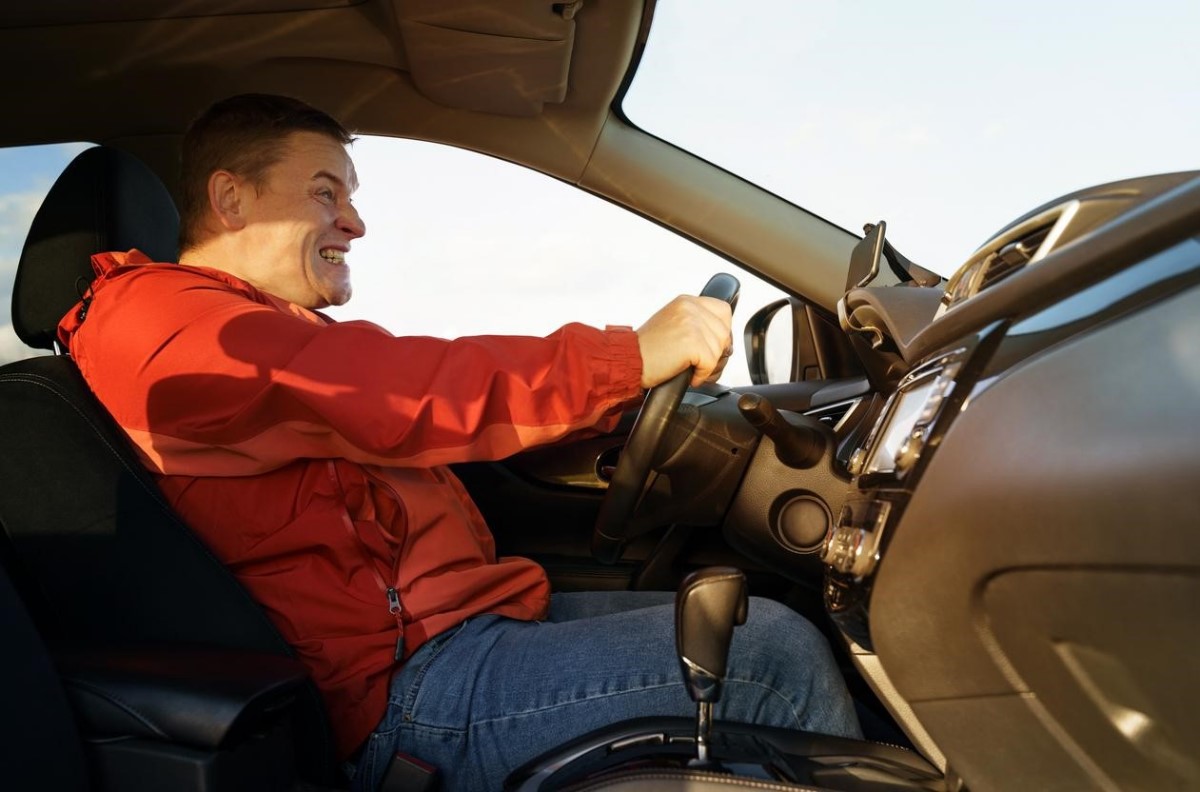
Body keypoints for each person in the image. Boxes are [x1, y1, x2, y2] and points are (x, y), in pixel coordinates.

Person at [58, 94, 861, 790]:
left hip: (460, 632)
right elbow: (393, 388)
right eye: (323, 191)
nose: (355, 221)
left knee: (764, 609)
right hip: (408, 694)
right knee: (772, 658)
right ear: (232, 199)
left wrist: (620, 401)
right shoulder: (157, 319)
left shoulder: (252, 323)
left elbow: (406, 397)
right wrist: (626, 357)